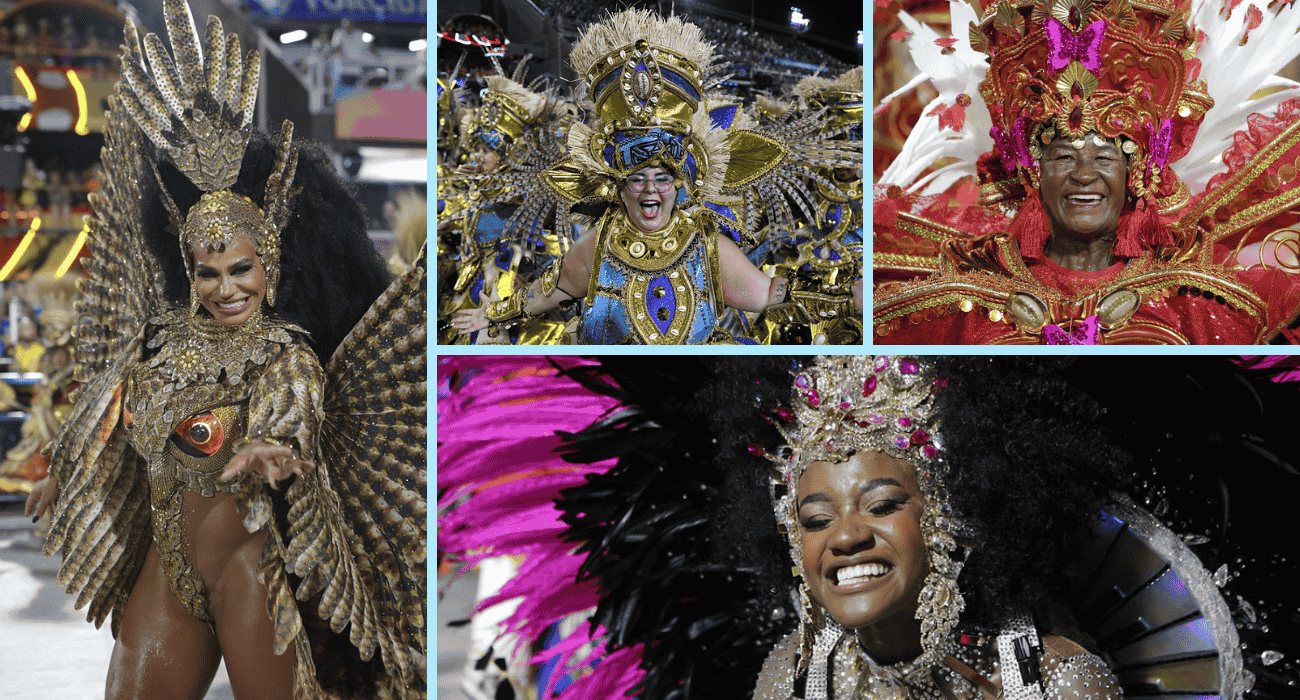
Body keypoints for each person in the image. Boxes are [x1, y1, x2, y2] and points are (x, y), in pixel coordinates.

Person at [23, 1, 426, 697]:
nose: (225, 288)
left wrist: (273, 445)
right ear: (187, 268)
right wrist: (62, 472)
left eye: (241, 269)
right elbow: (109, 418)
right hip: (165, 568)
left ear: (269, 262)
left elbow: (292, 414)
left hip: (249, 568)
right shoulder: (160, 339)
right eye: (207, 273)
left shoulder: (285, 353)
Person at [872, 0, 1300, 343]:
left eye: (1105, 157)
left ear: (1138, 173)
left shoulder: (1201, 304)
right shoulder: (954, 306)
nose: (1083, 175)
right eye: (1062, 156)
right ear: (1032, 172)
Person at [447, 9, 862, 344]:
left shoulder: (705, 245)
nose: (650, 189)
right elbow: (548, 291)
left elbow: (769, 293)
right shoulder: (596, 248)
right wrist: (494, 312)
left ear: (679, 184)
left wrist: (845, 297)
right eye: (636, 178)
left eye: (662, 178)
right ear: (618, 187)